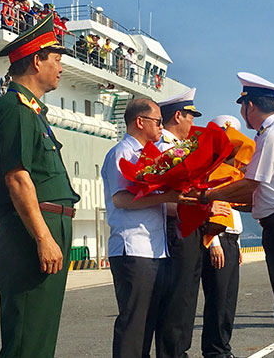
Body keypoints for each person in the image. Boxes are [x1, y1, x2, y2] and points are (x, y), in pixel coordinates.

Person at [195, 72, 274, 358]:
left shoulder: (273, 135)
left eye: (243, 107)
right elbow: (260, 195)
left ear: (249, 106)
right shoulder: (269, 134)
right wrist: (231, 202)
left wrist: (208, 195)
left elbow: (252, 184)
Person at [0, 14, 80, 358]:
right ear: (37, 60)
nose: (60, 68)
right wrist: (43, 237)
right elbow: (17, 177)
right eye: (56, 59)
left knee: (39, 335)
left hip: (45, 225)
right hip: (33, 230)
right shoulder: (16, 109)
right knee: (27, 338)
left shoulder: (32, 111)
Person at [102, 98, 184, 358]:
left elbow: (158, 205)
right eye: (158, 122)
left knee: (149, 323)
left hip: (155, 250)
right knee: (134, 324)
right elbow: (121, 199)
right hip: (133, 248)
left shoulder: (153, 158)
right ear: (140, 121)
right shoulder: (122, 154)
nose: (162, 127)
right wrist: (165, 197)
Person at [156, 87, 205, 358]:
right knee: (179, 299)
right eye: (190, 116)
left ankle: (178, 351)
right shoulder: (165, 149)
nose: (192, 123)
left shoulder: (178, 148)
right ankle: (173, 353)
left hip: (188, 228)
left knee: (186, 297)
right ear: (177, 116)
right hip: (177, 228)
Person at [201, 114, 244, 358]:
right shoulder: (211, 170)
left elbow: (232, 212)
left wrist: (235, 243)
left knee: (228, 300)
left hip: (231, 239)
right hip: (217, 239)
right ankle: (215, 351)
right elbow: (211, 210)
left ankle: (223, 348)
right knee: (217, 299)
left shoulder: (230, 170)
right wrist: (214, 243)